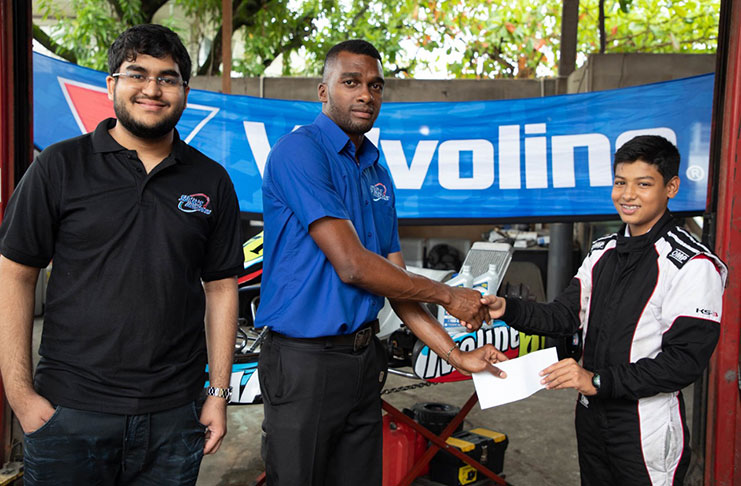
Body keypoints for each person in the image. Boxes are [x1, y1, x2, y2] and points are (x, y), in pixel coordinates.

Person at [255, 39, 508, 486]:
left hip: (362, 360)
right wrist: (449, 296)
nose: (365, 95)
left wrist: (457, 356)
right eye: (351, 82)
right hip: (304, 363)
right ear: (323, 90)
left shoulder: (375, 168)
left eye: (375, 86)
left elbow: (397, 282)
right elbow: (352, 265)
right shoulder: (300, 152)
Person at [0, 24, 243, 485]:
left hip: (174, 415)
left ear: (185, 92)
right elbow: (13, 276)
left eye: (167, 78)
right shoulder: (59, 165)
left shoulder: (211, 181)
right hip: (69, 412)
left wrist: (217, 393)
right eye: (138, 74)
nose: (152, 89)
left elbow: (221, 289)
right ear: (112, 84)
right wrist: (20, 396)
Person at [481, 135, 727, 486]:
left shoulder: (692, 264)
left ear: (671, 187)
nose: (627, 195)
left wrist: (597, 380)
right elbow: (564, 316)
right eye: (620, 182)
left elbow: (683, 362)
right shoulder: (603, 252)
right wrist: (506, 308)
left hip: (645, 426)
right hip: (591, 416)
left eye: (643, 184)